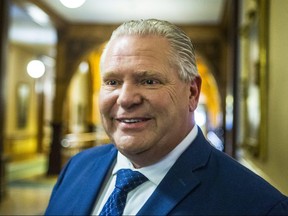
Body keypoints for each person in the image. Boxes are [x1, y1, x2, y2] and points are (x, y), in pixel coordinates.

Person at [45, 19, 288, 215]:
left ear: (192, 93)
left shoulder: (258, 206)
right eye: (112, 82)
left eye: (149, 81)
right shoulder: (78, 167)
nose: (126, 98)